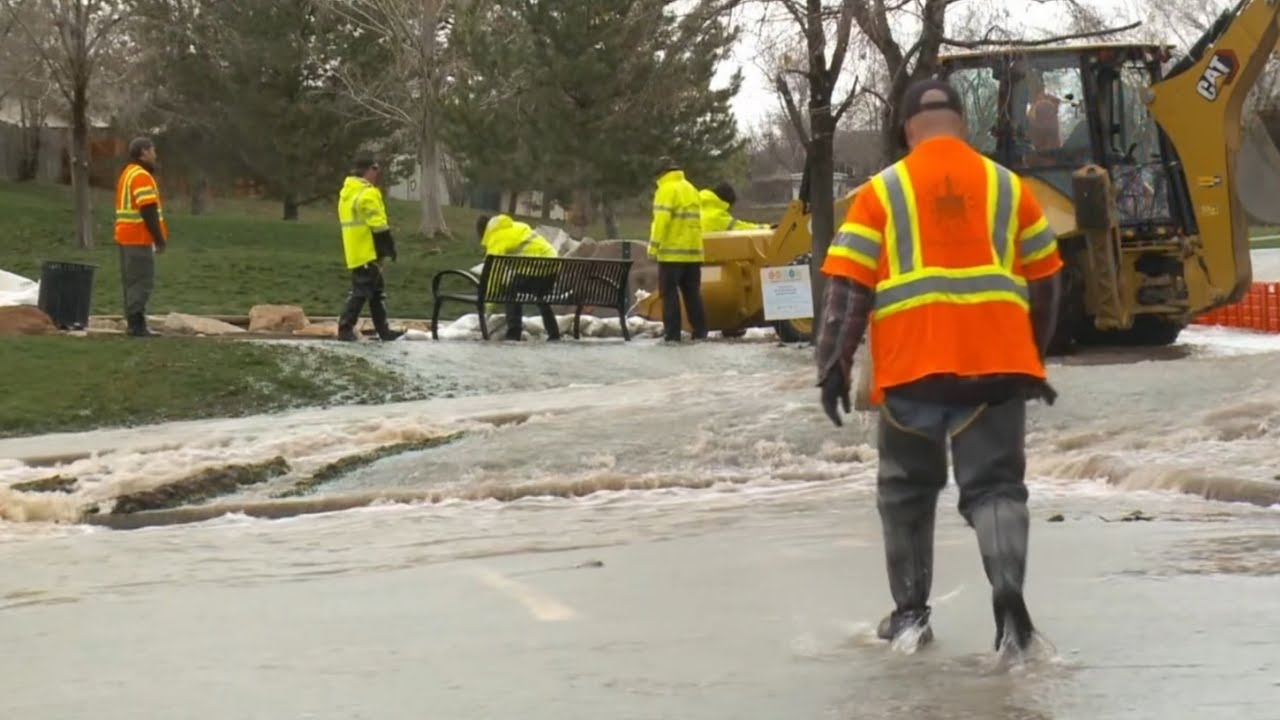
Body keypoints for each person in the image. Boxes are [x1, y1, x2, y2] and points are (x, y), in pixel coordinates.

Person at [814, 78, 1064, 655]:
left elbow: (848, 288)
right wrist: (1032, 355)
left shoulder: (882, 191)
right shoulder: (1009, 187)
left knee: (905, 492)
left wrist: (833, 365)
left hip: (911, 373)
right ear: (962, 124)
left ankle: (909, 620)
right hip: (997, 372)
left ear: (907, 128)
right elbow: (1048, 278)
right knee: (997, 488)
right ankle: (1008, 603)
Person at [336, 156, 403, 342]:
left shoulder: (347, 193)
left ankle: (384, 331)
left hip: (355, 250)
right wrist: (389, 248)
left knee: (376, 292)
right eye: (376, 169)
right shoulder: (368, 193)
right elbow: (379, 226)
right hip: (369, 251)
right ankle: (345, 328)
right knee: (361, 291)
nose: (378, 173)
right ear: (369, 170)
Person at [114, 136, 168, 337]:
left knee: (131, 281)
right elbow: (148, 209)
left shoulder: (128, 173)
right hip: (139, 237)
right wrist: (159, 238)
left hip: (126, 237)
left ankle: (134, 322)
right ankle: (137, 326)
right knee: (141, 281)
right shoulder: (141, 176)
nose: (155, 154)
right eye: (153, 150)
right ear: (144, 152)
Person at [476, 213, 562, 342]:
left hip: (536, 269)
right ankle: (554, 333)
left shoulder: (495, 239)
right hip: (553, 268)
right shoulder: (518, 226)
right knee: (540, 297)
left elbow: (494, 275)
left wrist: (489, 306)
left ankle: (514, 333)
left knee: (510, 290)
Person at [649, 157, 706, 342]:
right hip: (693, 253)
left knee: (669, 295)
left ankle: (672, 335)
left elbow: (661, 222)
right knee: (693, 294)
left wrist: (653, 248)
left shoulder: (666, 190)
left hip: (672, 254)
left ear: (661, 173)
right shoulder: (691, 189)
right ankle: (700, 332)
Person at [699, 183, 770, 233]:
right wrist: (768, 228)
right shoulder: (717, 216)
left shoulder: (695, 206)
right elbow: (744, 228)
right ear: (726, 202)